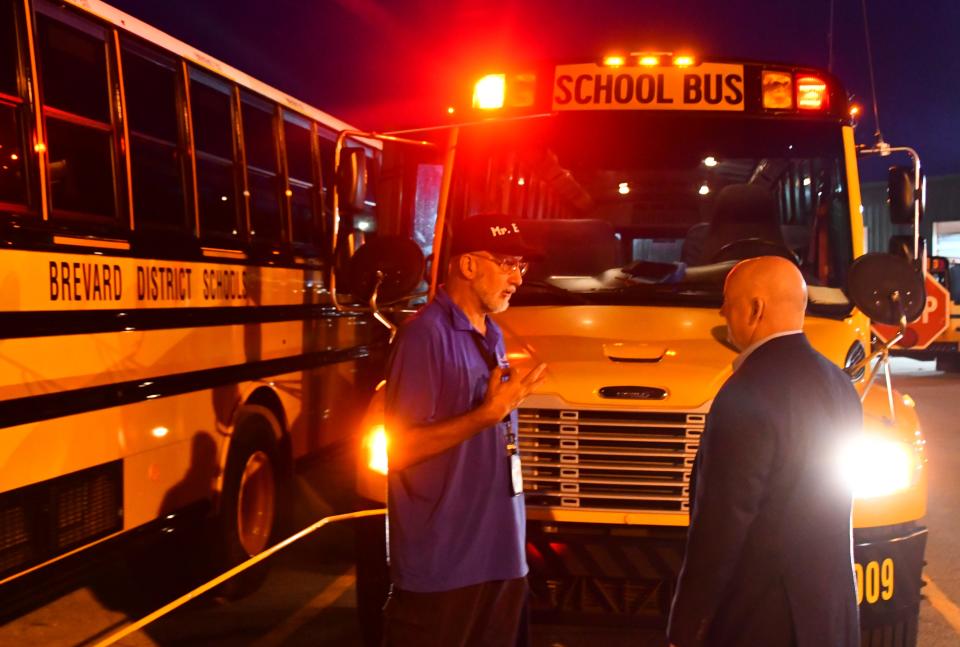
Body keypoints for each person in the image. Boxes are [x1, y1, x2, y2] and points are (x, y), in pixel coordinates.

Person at [667, 256, 861, 647]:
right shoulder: (839, 383)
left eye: (728, 301)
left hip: (761, 619)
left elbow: (721, 525)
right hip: (829, 614)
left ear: (755, 308)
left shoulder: (745, 392)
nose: (722, 311)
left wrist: (686, 625)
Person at [382, 214, 548, 647]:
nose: (516, 279)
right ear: (468, 265)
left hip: (502, 557)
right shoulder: (423, 337)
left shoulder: (491, 333)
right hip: (445, 566)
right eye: (507, 263)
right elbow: (398, 450)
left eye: (522, 267)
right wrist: (484, 416)